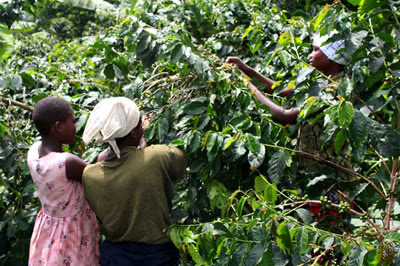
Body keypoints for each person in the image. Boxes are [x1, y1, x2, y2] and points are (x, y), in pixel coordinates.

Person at [81, 97, 187, 266]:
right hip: (157, 254)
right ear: (133, 132)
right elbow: (181, 160)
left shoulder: (89, 174)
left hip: (115, 256)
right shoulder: (156, 157)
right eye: (140, 126)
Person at [27, 97, 100, 266]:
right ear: (59, 127)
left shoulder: (33, 152)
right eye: (73, 122)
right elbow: (98, 176)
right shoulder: (67, 162)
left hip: (48, 230)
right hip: (73, 233)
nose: (76, 127)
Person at [226, 32, 346, 125]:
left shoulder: (332, 90)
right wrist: (246, 69)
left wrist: (246, 84)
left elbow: (286, 116)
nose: (310, 55)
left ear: (331, 56)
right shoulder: (321, 81)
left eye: (315, 50)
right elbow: (281, 91)